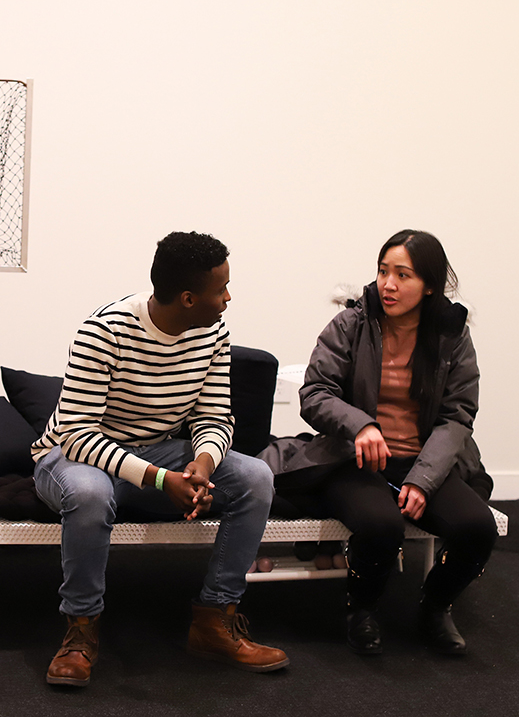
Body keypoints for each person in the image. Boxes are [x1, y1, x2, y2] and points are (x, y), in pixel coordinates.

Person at [31, 231, 288, 687]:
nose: (229, 297)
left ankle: (214, 621)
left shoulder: (213, 332)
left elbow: (213, 415)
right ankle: (80, 629)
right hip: (72, 455)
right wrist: (158, 479)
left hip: (159, 450)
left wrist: (203, 464)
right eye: (221, 289)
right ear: (188, 298)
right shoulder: (105, 330)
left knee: (255, 477)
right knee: (90, 494)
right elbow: (75, 434)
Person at [261, 230, 497, 656]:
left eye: (402, 275)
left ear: (429, 284)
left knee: (477, 528)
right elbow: (315, 393)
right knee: (381, 525)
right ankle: (361, 609)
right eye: (383, 271)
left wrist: (424, 479)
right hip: (354, 459)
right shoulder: (352, 324)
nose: (388, 284)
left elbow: (458, 415)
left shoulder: (451, 336)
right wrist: (362, 426)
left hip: (425, 460)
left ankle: (435, 607)